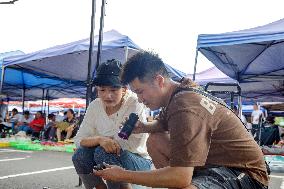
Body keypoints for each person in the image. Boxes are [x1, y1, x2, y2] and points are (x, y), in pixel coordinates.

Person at [94, 51, 269, 189]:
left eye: (140, 91)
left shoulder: (184, 105)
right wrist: (143, 127)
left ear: (159, 81)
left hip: (246, 174)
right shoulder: (180, 90)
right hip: (214, 163)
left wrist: (123, 174)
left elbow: (180, 176)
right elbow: (161, 124)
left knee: (179, 178)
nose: (139, 99)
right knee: (155, 141)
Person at [72, 59, 151, 189]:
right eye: (102, 90)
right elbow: (79, 140)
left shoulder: (135, 103)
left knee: (103, 152)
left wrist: (99, 141)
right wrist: (99, 139)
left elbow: (121, 142)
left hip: (138, 162)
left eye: (114, 90)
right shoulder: (95, 105)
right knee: (80, 155)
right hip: (107, 154)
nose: (107, 96)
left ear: (124, 89)